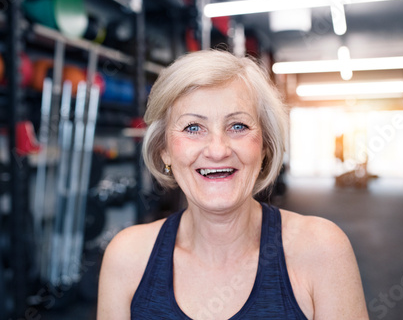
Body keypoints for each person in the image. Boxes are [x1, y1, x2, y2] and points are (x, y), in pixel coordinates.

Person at [97, 50, 369, 320]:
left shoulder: (322, 250)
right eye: (193, 127)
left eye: (238, 126)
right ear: (164, 150)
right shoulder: (127, 257)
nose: (217, 150)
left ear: (264, 146)